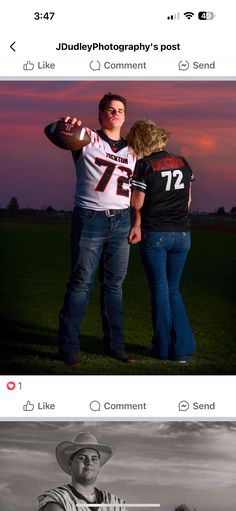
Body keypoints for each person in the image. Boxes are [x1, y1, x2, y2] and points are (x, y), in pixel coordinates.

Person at [46, 93, 136, 366]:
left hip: (122, 221)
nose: (115, 113)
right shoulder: (86, 139)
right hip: (90, 218)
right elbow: (51, 130)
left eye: (120, 109)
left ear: (125, 115)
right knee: (80, 284)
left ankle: (115, 346)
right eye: (110, 109)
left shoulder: (134, 148)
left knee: (115, 287)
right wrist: (65, 125)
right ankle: (69, 348)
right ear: (100, 114)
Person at [127, 120, 196, 362]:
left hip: (155, 233)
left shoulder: (144, 165)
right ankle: (182, 349)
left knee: (159, 290)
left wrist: (136, 225)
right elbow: (187, 201)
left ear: (141, 142)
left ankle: (162, 348)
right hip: (183, 235)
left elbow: (137, 203)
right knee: (173, 290)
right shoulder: (183, 162)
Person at [38, 432, 127, 511]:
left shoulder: (115, 503)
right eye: (82, 458)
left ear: (99, 465)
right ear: (70, 463)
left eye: (94, 459)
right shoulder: (58, 499)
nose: (89, 462)